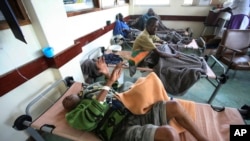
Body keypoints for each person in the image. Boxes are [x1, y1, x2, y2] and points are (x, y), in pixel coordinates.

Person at [62, 56, 208, 141]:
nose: (67, 98)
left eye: (67, 96)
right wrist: (108, 82)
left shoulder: (91, 88)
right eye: (65, 102)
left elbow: (116, 90)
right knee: (169, 133)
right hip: (119, 130)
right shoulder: (74, 116)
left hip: (133, 110)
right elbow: (89, 118)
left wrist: (107, 75)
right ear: (69, 109)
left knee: (174, 105)